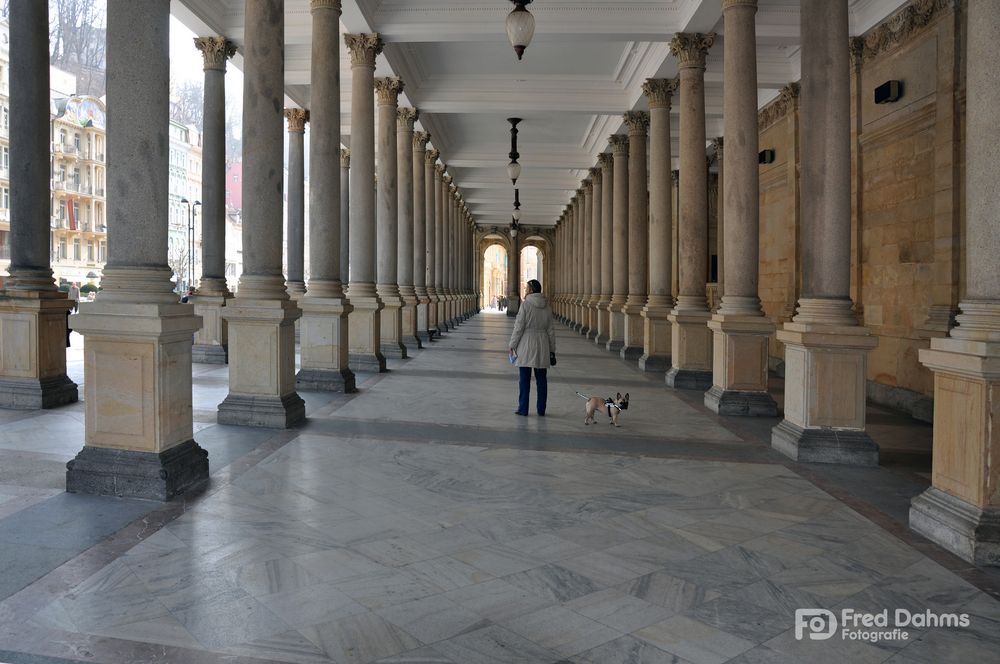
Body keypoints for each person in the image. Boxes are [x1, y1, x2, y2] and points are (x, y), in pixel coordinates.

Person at [508, 279, 556, 416]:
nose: (525, 290)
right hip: (542, 345)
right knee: (542, 380)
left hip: (526, 345)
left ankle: (523, 409)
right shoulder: (547, 306)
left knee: (524, 380)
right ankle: (541, 409)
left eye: (527, 288)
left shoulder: (525, 305)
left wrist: (512, 345)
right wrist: (552, 350)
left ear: (531, 290)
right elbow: (551, 331)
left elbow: (519, 327)